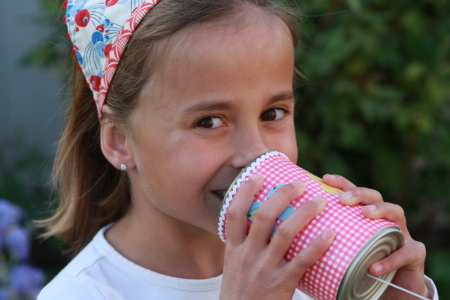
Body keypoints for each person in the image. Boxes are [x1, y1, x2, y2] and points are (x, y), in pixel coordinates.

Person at [38, 0, 438, 299]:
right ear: (120, 141)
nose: (257, 152)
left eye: (273, 112)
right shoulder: (82, 293)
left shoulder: (315, 261)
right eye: (209, 121)